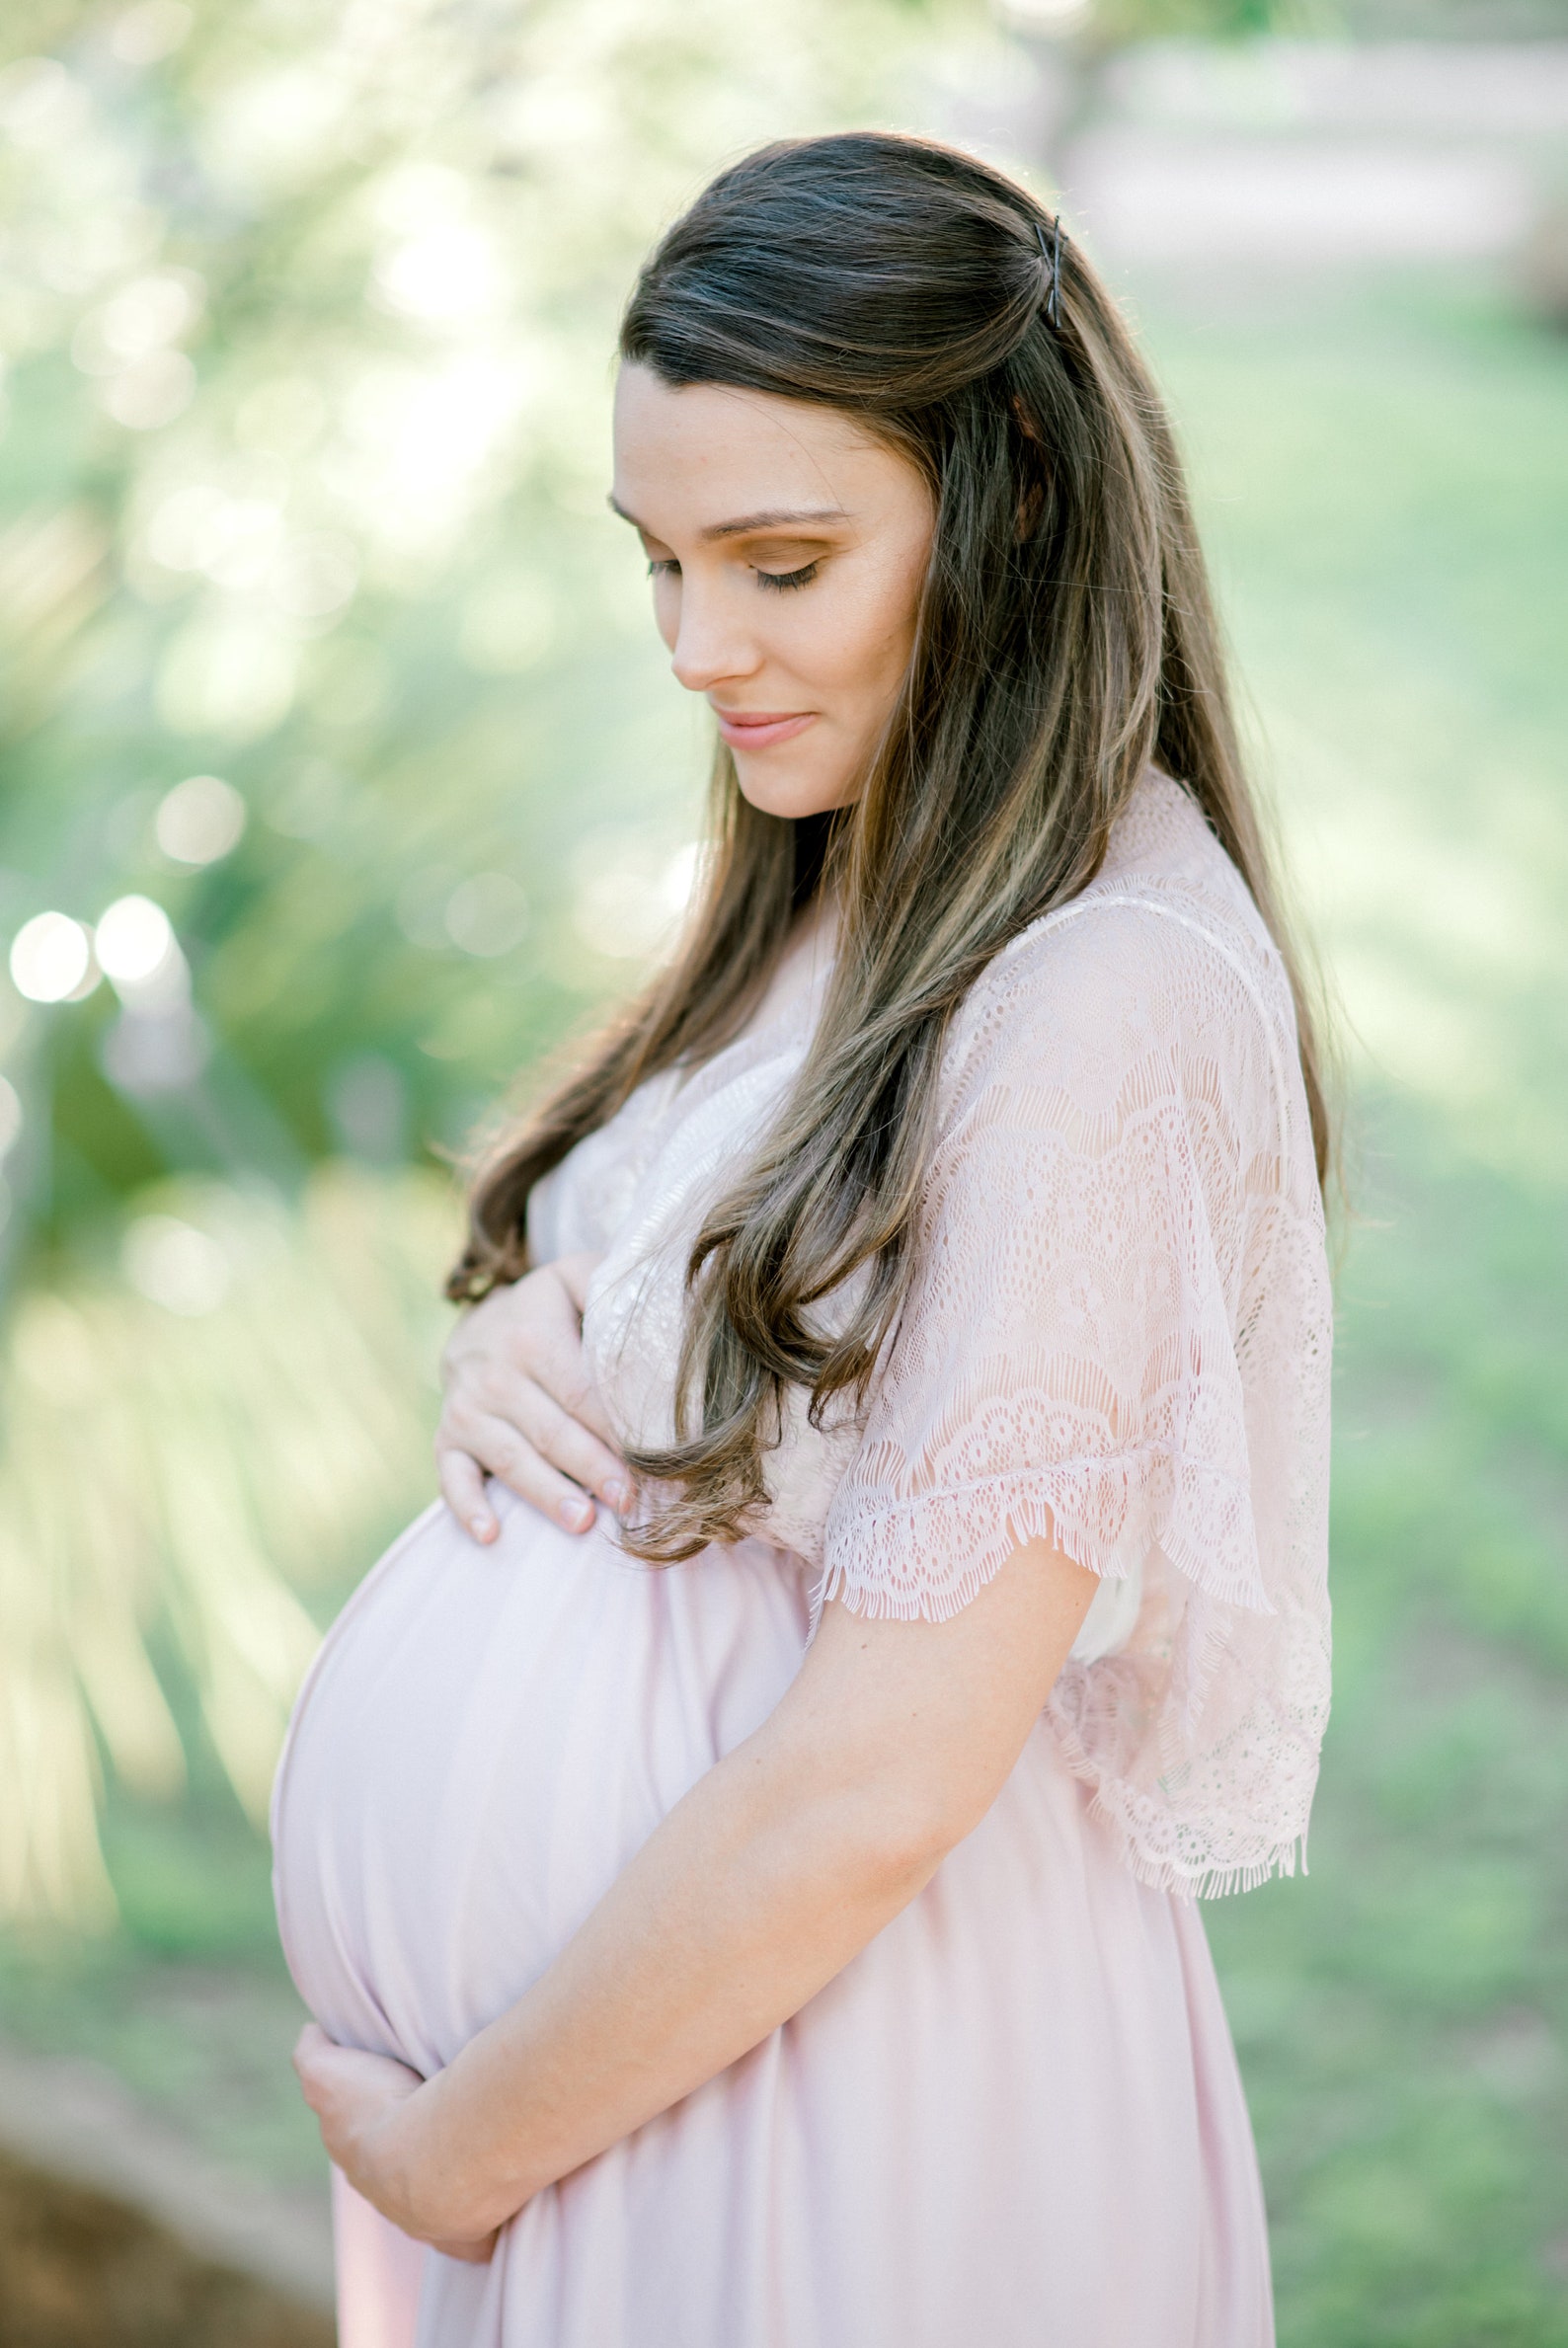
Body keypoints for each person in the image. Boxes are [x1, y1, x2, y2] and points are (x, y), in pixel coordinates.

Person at [273, 130, 1334, 2348]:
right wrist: (533, 1334)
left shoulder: (1097, 1000)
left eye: (777, 562)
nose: (691, 645)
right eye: (658, 561)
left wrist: (464, 2152)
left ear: (1015, 490)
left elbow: (876, 1777)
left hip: (829, 2111)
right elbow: (675, 1235)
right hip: (646, 2091)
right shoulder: (851, 843)